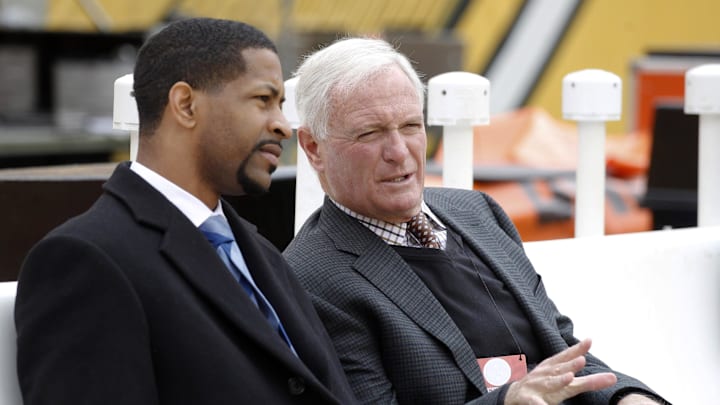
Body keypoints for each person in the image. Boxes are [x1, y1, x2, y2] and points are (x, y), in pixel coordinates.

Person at [283, 37, 668, 405]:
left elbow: (560, 345)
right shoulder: (311, 277)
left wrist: (626, 396)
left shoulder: (478, 212)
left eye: (411, 126)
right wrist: (508, 400)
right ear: (314, 148)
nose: (399, 152)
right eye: (370, 133)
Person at [14, 18, 356, 405]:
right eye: (263, 100)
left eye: (281, 105)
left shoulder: (260, 253)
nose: (283, 125)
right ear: (186, 104)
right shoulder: (85, 260)